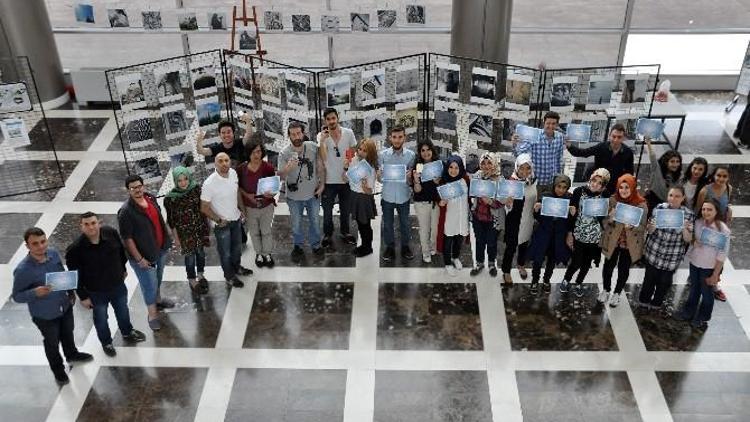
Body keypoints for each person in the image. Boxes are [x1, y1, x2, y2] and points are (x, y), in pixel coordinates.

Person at [12, 227, 93, 385]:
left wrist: (70, 293)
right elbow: (17, 296)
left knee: (68, 333)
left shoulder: (54, 254)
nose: (41, 246)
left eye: (43, 241)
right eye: (35, 244)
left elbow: (61, 274)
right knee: (52, 343)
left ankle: (72, 354)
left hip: (64, 306)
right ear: (27, 246)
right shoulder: (23, 270)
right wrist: (35, 292)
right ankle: (58, 370)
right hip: (45, 315)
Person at [66, 212, 147, 357]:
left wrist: (123, 269)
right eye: (86, 224)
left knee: (123, 310)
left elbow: (121, 252)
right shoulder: (75, 250)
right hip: (96, 292)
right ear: (81, 227)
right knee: (101, 319)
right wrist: (83, 297)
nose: (91, 227)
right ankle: (106, 342)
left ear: (99, 223)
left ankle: (127, 332)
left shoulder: (111, 233)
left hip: (117, 285)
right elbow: (74, 276)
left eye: (93, 223)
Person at [118, 175, 173, 331]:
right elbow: (127, 239)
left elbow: (159, 219)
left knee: (158, 277)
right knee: (148, 284)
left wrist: (168, 236)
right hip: (143, 256)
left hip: (160, 248)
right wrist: (139, 259)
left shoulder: (150, 198)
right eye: (133, 188)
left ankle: (158, 300)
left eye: (139, 186)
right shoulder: (126, 212)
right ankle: (152, 315)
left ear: (144, 186)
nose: (137, 190)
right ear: (128, 190)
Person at [675, 198, 730, 330]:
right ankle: (688, 312)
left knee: (707, 294)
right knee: (694, 290)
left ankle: (703, 317)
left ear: (716, 211)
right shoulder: (698, 223)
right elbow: (692, 239)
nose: (706, 212)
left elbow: (722, 255)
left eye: (709, 209)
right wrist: (694, 241)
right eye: (704, 209)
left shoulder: (723, 230)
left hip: (709, 268)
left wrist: (715, 275)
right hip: (695, 263)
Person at [201, 153, 252, 288]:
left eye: (226, 160)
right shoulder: (209, 183)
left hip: (235, 220)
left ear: (230, 161)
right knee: (225, 253)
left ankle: (236, 268)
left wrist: (242, 210)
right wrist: (218, 220)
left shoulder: (234, 174)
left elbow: (236, 193)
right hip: (222, 225)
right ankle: (229, 276)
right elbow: (204, 207)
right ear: (215, 164)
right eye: (220, 161)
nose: (224, 163)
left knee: (237, 249)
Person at [639, 186, 694, 309]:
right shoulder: (659, 208)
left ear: (683, 198)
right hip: (654, 253)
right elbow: (650, 231)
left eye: (677, 196)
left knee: (664, 283)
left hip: (671, 258)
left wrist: (685, 228)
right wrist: (651, 226)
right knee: (648, 280)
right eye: (671, 195)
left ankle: (656, 303)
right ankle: (643, 301)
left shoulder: (688, 215)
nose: (673, 199)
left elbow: (688, 239)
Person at [278, 121, 326, 262]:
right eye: (293, 134)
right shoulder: (284, 153)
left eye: (299, 133)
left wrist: (322, 184)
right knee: (296, 223)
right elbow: (280, 175)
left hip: (313, 193)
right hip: (294, 196)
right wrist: (288, 168)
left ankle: (316, 244)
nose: (296, 136)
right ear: (289, 136)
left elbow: (320, 167)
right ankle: (297, 246)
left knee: (315, 221)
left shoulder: (312, 147)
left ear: (303, 133)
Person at [599, 174, 648, 307]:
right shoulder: (613, 200)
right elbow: (603, 222)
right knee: (608, 267)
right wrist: (609, 218)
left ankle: (617, 293)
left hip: (629, 244)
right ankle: (606, 289)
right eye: (621, 187)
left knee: (623, 269)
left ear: (632, 188)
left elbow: (643, 227)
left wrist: (633, 227)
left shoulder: (641, 204)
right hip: (613, 241)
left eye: (627, 187)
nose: (624, 190)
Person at [559, 169, 610, 297]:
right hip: (579, 234)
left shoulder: (605, 196)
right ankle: (566, 279)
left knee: (587, 263)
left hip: (594, 237)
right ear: (590, 179)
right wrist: (569, 233)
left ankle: (579, 282)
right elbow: (571, 215)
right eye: (594, 180)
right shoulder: (578, 192)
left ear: (603, 187)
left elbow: (603, 218)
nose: (595, 184)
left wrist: (608, 214)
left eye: (600, 183)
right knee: (576, 261)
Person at [164, 167, 211, 293]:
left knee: (200, 254)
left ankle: (200, 274)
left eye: (185, 179)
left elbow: (204, 207)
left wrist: (208, 224)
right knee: (190, 258)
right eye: (179, 181)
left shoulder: (196, 189)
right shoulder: (170, 199)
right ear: (175, 181)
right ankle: (192, 279)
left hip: (199, 229)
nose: (183, 183)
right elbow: (171, 221)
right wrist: (176, 239)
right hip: (184, 234)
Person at [318, 108, 358, 248]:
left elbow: (352, 151)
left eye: (333, 118)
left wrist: (347, 166)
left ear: (338, 117)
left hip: (345, 179)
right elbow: (323, 157)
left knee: (345, 209)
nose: (331, 121)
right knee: (327, 211)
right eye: (328, 119)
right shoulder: (321, 136)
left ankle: (345, 232)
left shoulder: (348, 133)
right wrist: (322, 141)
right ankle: (327, 234)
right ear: (325, 120)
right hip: (329, 180)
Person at [694, 165, 733, 302]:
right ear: (713, 176)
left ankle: (714, 283)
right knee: (702, 254)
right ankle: (695, 278)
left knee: (718, 257)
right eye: (719, 176)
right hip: (706, 228)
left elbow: (727, 206)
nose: (721, 179)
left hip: (720, 229)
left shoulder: (728, 189)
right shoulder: (705, 191)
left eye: (724, 176)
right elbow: (698, 210)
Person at [528, 174, 573, 294]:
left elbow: (570, 221)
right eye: (559, 186)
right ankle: (534, 280)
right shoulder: (545, 196)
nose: (561, 190)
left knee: (552, 261)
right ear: (554, 185)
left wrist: (573, 213)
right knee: (538, 259)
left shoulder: (569, 199)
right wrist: (536, 210)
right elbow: (537, 217)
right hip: (543, 234)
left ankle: (546, 280)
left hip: (558, 236)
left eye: (564, 187)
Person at [379, 126, 416, 261]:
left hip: (403, 196)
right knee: (388, 224)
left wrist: (410, 176)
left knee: (405, 223)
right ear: (390, 138)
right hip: (387, 195)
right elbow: (379, 179)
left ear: (404, 138)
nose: (397, 140)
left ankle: (405, 246)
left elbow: (412, 179)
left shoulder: (411, 156)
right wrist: (378, 176)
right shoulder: (382, 155)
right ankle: (389, 247)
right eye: (394, 137)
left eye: (400, 137)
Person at [237, 140, 277, 268]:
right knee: (254, 232)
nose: (256, 155)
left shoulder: (268, 167)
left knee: (266, 231)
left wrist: (270, 194)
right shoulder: (241, 169)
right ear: (248, 153)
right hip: (249, 207)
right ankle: (258, 254)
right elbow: (238, 187)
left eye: (259, 151)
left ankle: (267, 253)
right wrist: (247, 195)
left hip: (266, 206)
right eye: (253, 152)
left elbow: (273, 186)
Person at [566, 123, 634, 195]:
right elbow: (583, 153)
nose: (616, 140)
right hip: (597, 183)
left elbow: (629, 172)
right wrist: (569, 146)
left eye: (619, 137)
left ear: (623, 138)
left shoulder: (628, 152)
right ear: (609, 136)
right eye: (614, 136)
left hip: (614, 185)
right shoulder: (601, 147)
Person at [501, 154, 537, 285]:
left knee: (524, 245)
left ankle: (521, 265)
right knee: (510, 247)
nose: (525, 172)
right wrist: (508, 203)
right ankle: (506, 271)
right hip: (514, 221)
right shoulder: (512, 182)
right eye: (522, 168)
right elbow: (505, 203)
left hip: (528, 219)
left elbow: (535, 198)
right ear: (517, 167)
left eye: (528, 168)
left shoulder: (534, 181)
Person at [511, 111, 565, 195]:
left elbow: (559, 158)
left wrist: (559, 177)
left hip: (552, 182)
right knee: (534, 206)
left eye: (553, 123)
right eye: (548, 123)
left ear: (557, 124)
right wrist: (515, 144)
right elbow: (520, 154)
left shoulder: (560, 137)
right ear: (544, 122)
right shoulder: (534, 135)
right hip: (536, 181)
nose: (550, 126)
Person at [470, 153, 505, 277]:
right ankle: (479, 263)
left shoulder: (500, 180)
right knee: (479, 241)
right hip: (478, 217)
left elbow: (502, 202)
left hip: (492, 219)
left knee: (491, 242)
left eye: (489, 163)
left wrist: (490, 201)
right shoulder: (476, 176)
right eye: (483, 163)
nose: (486, 166)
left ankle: (491, 263)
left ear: (494, 163)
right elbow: (472, 194)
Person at [346, 138, 379, 257]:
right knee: (360, 223)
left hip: (364, 198)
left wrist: (365, 186)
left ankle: (367, 247)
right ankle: (364, 245)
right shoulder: (354, 159)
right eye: (359, 149)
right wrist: (346, 167)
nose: (360, 152)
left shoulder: (370, 167)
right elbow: (346, 178)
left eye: (364, 151)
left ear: (370, 152)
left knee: (365, 224)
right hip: (354, 194)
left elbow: (370, 191)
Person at [439, 155, 470, 276]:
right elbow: (437, 197)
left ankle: (455, 257)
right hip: (449, 217)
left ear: (461, 168)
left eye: (456, 167)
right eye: (451, 167)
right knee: (448, 242)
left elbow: (471, 194)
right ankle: (447, 263)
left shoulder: (465, 180)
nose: (453, 170)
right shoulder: (443, 180)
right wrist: (440, 202)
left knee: (459, 240)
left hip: (462, 216)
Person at [412, 141, 441, 263]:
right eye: (422, 150)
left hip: (435, 203)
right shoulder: (418, 167)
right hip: (421, 203)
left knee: (435, 229)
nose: (425, 153)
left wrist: (437, 181)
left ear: (432, 150)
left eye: (428, 149)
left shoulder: (439, 165)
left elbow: (443, 185)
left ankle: (432, 246)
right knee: (424, 229)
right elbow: (417, 191)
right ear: (419, 153)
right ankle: (425, 251)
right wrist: (416, 181)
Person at [644, 137, 682, 216]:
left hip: (668, 205)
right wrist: (648, 143)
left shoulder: (679, 176)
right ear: (666, 162)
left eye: (677, 162)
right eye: (672, 161)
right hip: (653, 201)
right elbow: (652, 156)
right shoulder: (657, 169)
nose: (675, 164)